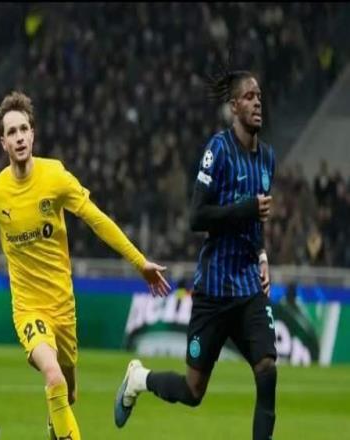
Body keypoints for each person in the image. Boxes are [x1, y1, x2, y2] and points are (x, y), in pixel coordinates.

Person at [0, 91, 171, 440]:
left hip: (63, 307)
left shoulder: (55, 176)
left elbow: (97, 220)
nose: (19, 137)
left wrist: (140, 262)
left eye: (23, 129)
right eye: (11, 132)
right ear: (3, 142)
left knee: (67, 395)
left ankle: (55, 425)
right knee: (53, 377)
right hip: (29, 310)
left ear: (32, 134)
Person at [114, 69, 277, 440]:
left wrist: (262, 255)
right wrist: (246, 208)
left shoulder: (267, 158)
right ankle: (139, 379)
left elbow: (259, 217)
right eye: (249, 97)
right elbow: (196, 217)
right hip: (214, 290)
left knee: (267, 370)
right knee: (193, 391)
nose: (257, 103)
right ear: (234, 106)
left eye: (259, 97)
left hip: (249, 287)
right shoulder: (218, 151)